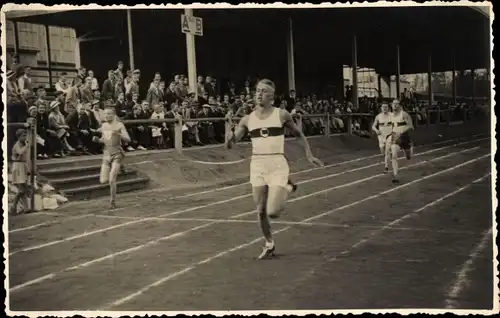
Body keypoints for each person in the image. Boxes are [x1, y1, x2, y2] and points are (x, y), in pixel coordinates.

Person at [225, 79, 324, 260]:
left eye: (263, 91)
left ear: (271, 96)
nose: (258, 94)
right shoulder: (247, 119)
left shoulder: (281, 115)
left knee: (273, 212)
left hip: (277, 163)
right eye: (257, 90)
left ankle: (287, 187)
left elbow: (299, 134)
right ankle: (269, 243)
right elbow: (231, 144)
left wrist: (309, 154)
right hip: (257, 165)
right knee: (260, 210)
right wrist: (229, 134)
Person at [93, 107, 131, 209]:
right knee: (103, 180)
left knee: (111, 179)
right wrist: (97, 140)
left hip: (117, 153)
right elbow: (105, 140)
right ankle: (122, 167)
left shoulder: (119, 125)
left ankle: (112, 202)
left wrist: (119, 134)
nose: (106, 116)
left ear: (114, 115)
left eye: (109, 114)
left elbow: (128, 139)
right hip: (106, 153)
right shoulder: (104, 125)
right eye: (105, 114)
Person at [389, 99, 414, 184]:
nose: (395, 105)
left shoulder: (404, 114)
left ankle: (410, 147)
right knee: (394, 156)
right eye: (393, 104)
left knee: (408, 157)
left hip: (404, 137)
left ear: (399, 105)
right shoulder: (391, 115)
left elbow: (410, 126)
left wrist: (401, 132)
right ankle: (396, 175)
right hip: (395, 137)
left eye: (397, 104)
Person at [10, 128, 31, 215]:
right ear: (18, 137)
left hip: (22, 166)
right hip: (17, 166)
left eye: (25, 135)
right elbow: (20, 152)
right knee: (21, 189)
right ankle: (13, 207)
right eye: (23, 136)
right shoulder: (17, 145)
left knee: (24, 188)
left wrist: (28, 168)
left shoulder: (23, 144)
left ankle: (26, 208)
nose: (25, 137)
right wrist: (26, 146)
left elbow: (26, 158)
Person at [372, 102, 393, 173]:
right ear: (381, 108)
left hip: (390, 135)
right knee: (382, 152)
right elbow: (373, 126)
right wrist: (376, 130)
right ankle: (387, 157)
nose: (384, 108)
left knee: (387, 152)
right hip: (381, 136)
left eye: (386, 107)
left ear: (388, 108)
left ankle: (386, 167)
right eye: (383, 107)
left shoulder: (392, 115)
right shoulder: (378, 116)